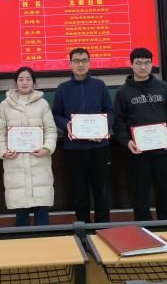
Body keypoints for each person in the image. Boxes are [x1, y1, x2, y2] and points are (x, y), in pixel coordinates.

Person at [113, 48, 167, 221]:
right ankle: (144, 230)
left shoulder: (164, 87)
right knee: (140, 195)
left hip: (163, 150)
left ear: (152, 64)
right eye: (138, 63)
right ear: (131, 65)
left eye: (147, 63)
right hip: (137, 153)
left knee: (165, 193)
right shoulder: (122, 92)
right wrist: (126, 141)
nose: (143, 67)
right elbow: (118, 122)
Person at [52, 48, 114, 223]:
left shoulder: (99, 85)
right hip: (74, 149)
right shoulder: (62, 89)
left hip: (99, 147)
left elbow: (110, 111)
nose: (81, 64)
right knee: (80, 192)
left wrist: (104, 129)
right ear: (70, 64)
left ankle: (103, 228)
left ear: (89, 62)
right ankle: (83, 230)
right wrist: (66, 124)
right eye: (77, 61)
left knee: (101, 191)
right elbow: (56, 114)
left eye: (84, 60)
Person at [0, 67, 57, 226]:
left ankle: (44, 239)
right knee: (20, 209)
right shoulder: (4, 105)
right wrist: (4, 151)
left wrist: (47, 148)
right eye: (21, 79)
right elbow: (0, 133)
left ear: (33, 82)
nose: (24, 82)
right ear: (15, 82)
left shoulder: (42, 104)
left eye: (28, 79)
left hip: (39, 161)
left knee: (41, 208)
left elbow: (51, 130)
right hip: (15, 163)